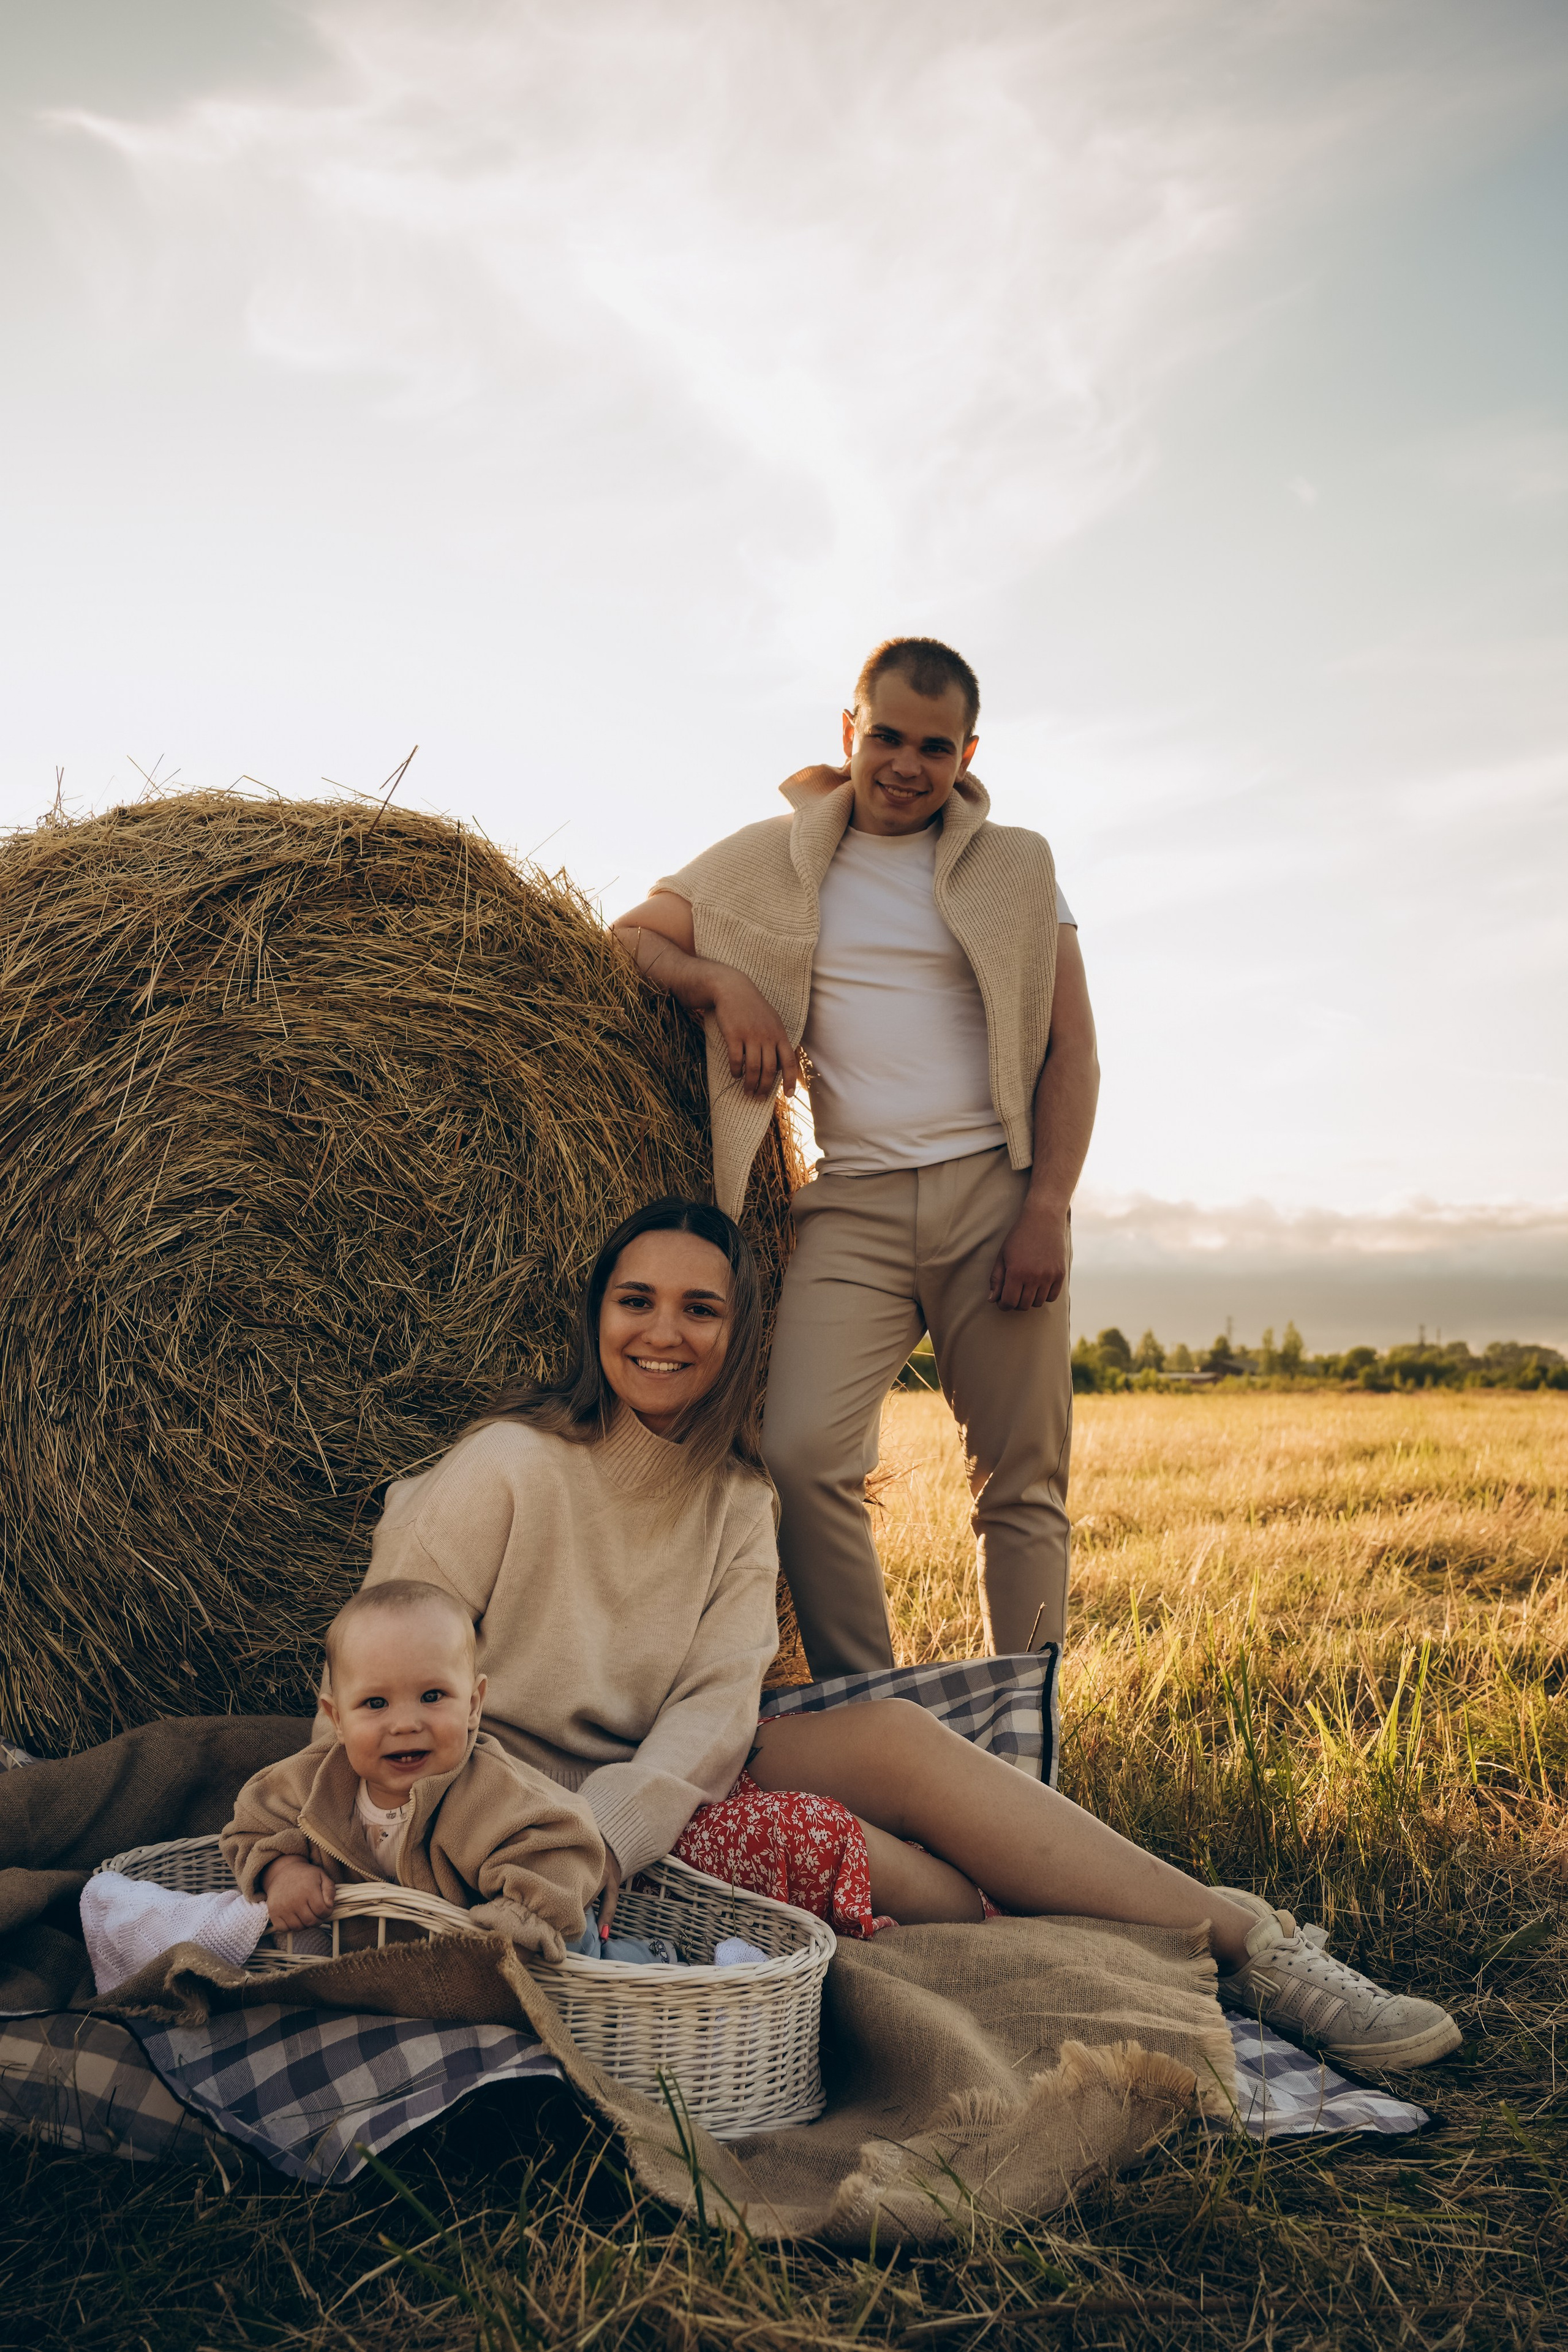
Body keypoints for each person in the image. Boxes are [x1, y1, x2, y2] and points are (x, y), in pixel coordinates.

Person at [340, 1196, 1460, 2072]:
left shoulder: (737, 1499)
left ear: (739, 1334)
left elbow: (720, 1705)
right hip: (511, 1806)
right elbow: (390, 1668)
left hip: (645, 1791)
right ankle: (1106, 1933)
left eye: (701, 1308)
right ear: (597, 1318)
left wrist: (624, 1818)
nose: (664, 1333)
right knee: (907, 1877)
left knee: (891, 1736)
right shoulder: (508, 1467)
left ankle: (1252, 1946)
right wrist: (528, 1842)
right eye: (636, 1301)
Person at [612, 636, 1095, 1679]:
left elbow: (1073, 1049)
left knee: (1019, 1484)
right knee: (799, 1458)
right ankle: (871, 1714)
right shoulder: (771, 857)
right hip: (856, 1205)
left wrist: (1048, 1204)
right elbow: (629, 940)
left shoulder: (1019, 867)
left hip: (995, 1194)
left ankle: (1025, 1758)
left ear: (967, 751)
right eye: (886, 737)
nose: (907, 766)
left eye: (934, 745)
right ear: (850, 731)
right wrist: (722, 987)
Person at [222, 1578, 604, 1961]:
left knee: (599, 1958)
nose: (405, 1724)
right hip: (375, 1966)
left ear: (473, 1705)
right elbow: (255, 1822)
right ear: (337, 1718)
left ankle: (649, 1958)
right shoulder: (311, 1781)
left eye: (432, 1696)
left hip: (529, 1957)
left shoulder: (493, 1790)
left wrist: (516, 1926)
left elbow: (562, 1847)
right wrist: (282, 1870)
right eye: (375, 1703)